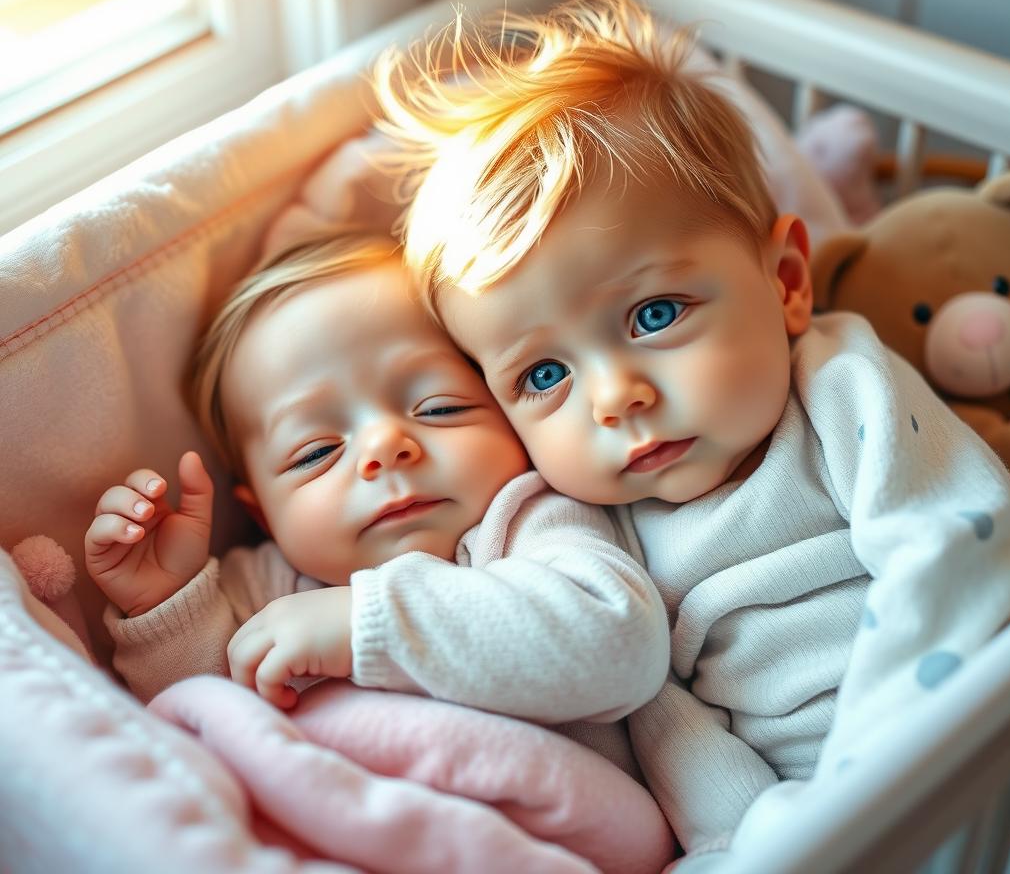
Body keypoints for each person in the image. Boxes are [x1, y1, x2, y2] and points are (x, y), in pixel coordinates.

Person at [375, 0, 1010, 864]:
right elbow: (674, 736)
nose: (614, 399)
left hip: (971, 743)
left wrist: (870, 790)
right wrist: (763, 845)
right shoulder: (598, 543)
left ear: (788, 281)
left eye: (653, 316)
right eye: (544, 375)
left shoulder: (838, 382)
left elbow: (956, 546)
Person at [85, 229, 670, 736]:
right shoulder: (261, 588)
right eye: (315, 452)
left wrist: (370, 623)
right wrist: (166, 604)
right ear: (264, 515)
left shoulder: (526, 524)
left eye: (439, 408)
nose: (385, 447)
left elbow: (620, 644)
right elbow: (207, 723)